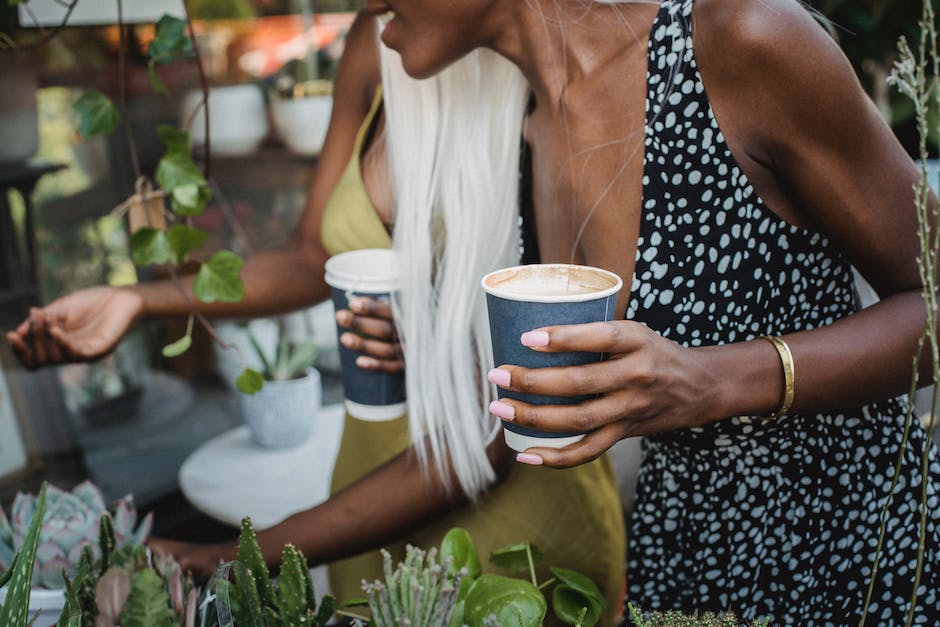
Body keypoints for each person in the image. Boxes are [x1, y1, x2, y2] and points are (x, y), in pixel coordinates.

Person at [6, 7, 627, 624]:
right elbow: (313, 256)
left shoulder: (570, 96)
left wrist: (223, 557)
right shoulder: (383, 38)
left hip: (512, 541)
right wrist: (139, 300)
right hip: (361, 513)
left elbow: (499, 429)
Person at [365, 0, 940, 623]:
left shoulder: (740, 37)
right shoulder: (530, 127)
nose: (367, 7)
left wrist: (709, 381)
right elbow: (524, 411)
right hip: (677, 560)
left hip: (850, 553)